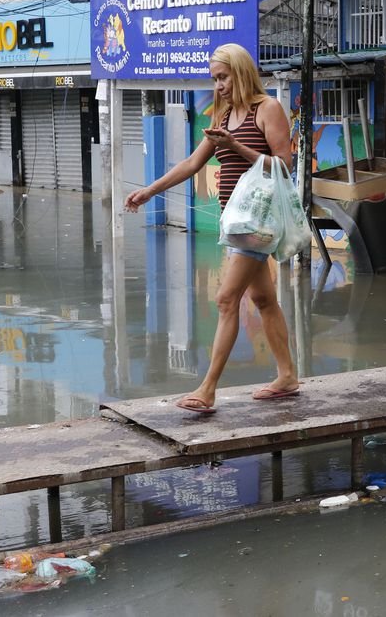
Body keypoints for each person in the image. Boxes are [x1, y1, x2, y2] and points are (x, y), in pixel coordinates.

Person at [124, 43, 300, 413]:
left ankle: (207, 389)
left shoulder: (267, 109)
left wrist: (238, 147)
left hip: (259, 220)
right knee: (264, 299)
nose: (218, 85)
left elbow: (284, 164)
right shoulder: (221, 117)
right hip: (235, 222)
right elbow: (191, 163)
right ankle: (286, 376)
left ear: (240, 72)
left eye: (223, 77)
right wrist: (148, 192)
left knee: (224, 300)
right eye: (214, 78)